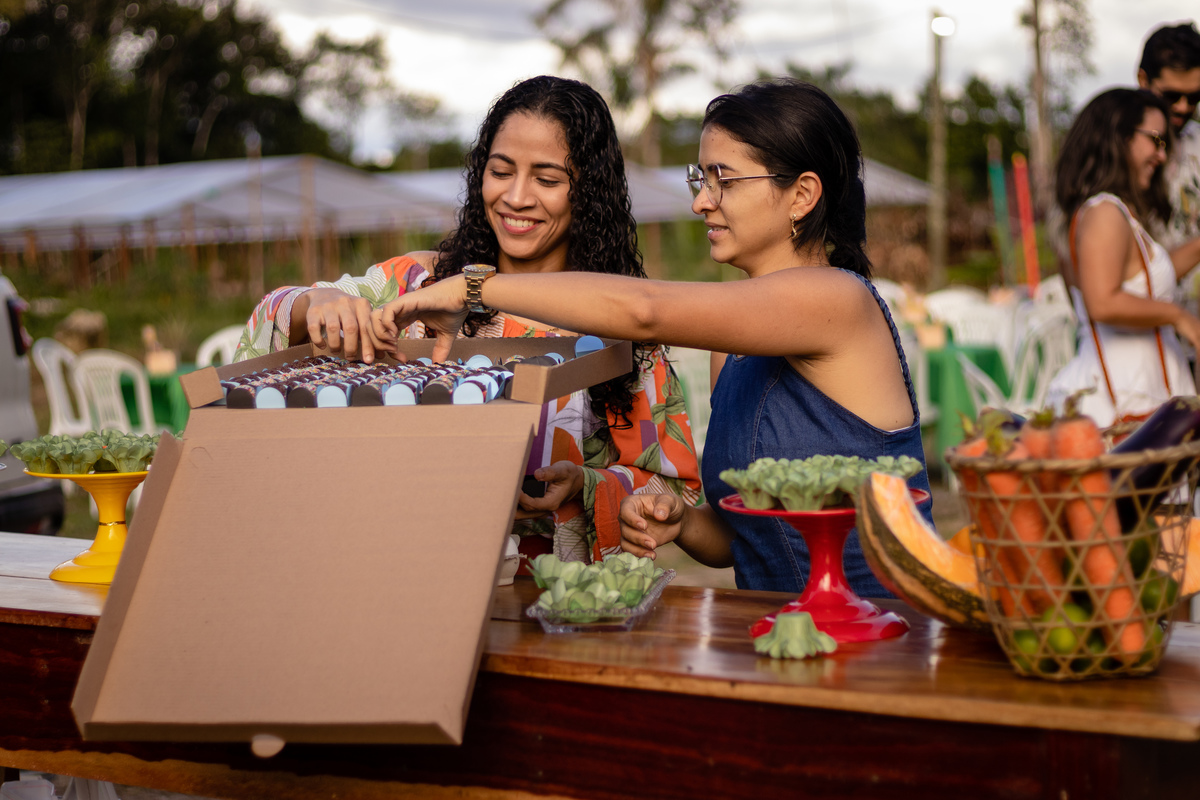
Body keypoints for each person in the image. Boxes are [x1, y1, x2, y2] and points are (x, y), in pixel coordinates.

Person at [369, 79, 934, 598]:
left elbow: (644, 311)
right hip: (782, 632)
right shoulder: (731, 349)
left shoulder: (838, 299)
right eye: (701, 178)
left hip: (885, 627)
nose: (701, 201)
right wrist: (681, 521)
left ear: (802, 194)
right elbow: (740, 540)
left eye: (724, 180)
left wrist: (475, 285)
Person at [233, 75, 701, 564]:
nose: (516, 197)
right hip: (397, 563)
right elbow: (276, 321)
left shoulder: (613, 319)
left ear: (587, 192)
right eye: (501, 172)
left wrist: (585, 484)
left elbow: (674, 486)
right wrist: (320, 300)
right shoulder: (417, 285)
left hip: (548, 590)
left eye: (546, 180)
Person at [1047, 88, 1200, 426]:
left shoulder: (1110, 212)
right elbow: (1102, 302)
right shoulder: (1104, 213)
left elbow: (1147, 280)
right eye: (1156, 140)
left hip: (1139, 390)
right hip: (1124, 399)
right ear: (1119, 136)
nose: (1161, 156)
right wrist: (1180, 317)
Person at [1137, 22, 1200, 250]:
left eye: (1194, 97)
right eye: (1171, 96)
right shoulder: (1110, 147)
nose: (1183, 107)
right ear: (1143, 80)